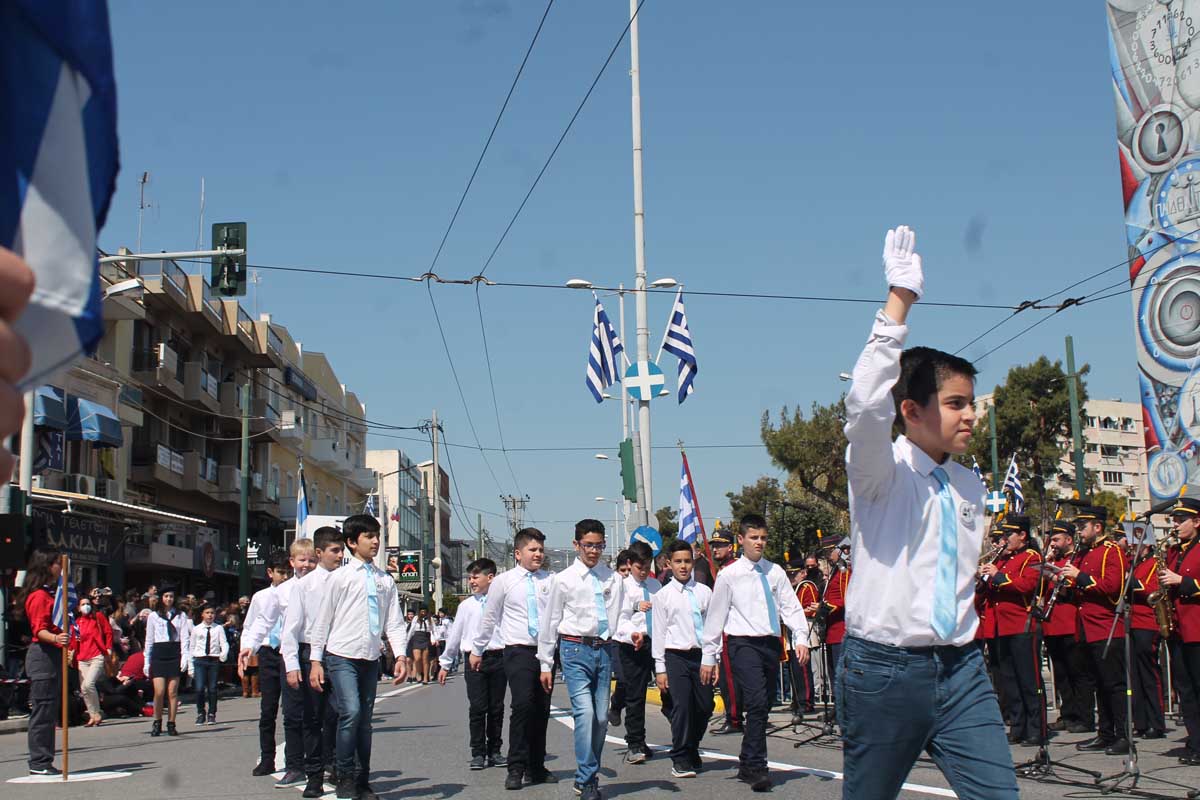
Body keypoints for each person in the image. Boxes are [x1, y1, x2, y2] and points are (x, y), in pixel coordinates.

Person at [839, 226, 1018, 799]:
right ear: (912, 410)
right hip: (884, 671)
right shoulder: (879, 472)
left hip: (963, 669)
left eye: (973, 403)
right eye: (956, 403)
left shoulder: (967, 483)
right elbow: (866, 404)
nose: (971, 416)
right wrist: (899, 300)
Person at [700, 513, 809, 792]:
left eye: (763, 538)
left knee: (766, 702)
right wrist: (709, 656)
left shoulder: (775, 572)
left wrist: (801, 638)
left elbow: (791, 607)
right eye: (753, 537)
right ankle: (758, 767)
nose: (759, 542)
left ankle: (747, 760)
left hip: (769, 644)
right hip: (742, 644)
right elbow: (715, 617)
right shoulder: (729, 575)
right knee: (757, 701)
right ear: (741, 540)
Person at [309, 515, 409, 800]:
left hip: (370, 657)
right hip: (341, 656)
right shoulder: (339, 578)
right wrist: (316, 661)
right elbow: (322, 621)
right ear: (352, 542)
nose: (375, 541)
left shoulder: (385, 580)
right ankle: (344, 776)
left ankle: (363, 780)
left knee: (364, 721)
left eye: (377, 536)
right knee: (350, 712)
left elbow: (394, 622)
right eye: (369, 536)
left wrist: (400, 656)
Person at [537, 519, 624, 800]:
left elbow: (619, 616)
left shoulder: (613, 578)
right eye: (588, 545)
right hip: (574, 649)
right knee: (585, 713)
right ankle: (588, 779)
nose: (594, 551)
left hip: (604, 649)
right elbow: (550, 622)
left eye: (599, 545)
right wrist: (545, 663)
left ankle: (586, 774)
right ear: (576, 545)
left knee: (601, 717)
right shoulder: (563, 580)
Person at [470, 527, 554, 791]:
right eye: (532, 549)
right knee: (523, 705)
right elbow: (489, 617)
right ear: (518, 553)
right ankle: (516, 767)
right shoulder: (504, 582)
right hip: (517, 651)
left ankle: (536, 767)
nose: (538, 554)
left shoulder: (551, 581)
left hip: (546, 651)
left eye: (541, 550)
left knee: (541, 709)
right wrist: (477, 649)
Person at [244, 538, 317, 789]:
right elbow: (262, 621)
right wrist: (249, 646)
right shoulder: (277, 592)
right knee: (281, 711)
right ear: (292, 562)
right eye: (301, 560)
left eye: (311, 560)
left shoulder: (324, 585)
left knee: (316, 712)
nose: (306, 565)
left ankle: (319, 763)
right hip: (281, 653)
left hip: (312, 652)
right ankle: (286, 763)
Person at [1060, 506, 1130, 755]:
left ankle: (1123, 735)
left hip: (1105, 626)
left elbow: (1113, 587)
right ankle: (1105, 733)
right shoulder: (1083, 553)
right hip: (1086, 628)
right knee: (1099, 683)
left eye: (1082, 526)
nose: (1079, 531)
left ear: (1097, 527)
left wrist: (1079, 577)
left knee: (1114, 685)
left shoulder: (1112, 551)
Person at [281, 526, 345, 797]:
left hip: (340, 653)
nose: (340, 556)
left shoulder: (346, 580)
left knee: (340, 714)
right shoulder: (304, 586)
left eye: (342, 550)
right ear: (319, 553)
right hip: (310, 655)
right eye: (335, 550)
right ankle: (314, 776)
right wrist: (292, 665)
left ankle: (339, 767)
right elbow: (291, 628)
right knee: (312, 717)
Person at [978, 515, 1043, 746]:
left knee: (1028, 679)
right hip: (1000, 626)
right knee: (1009, 680)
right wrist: (982, 578)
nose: (1004, 540)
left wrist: (997, 575)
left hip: (1021, 624)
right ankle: (1018, 726)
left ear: (1022, 535)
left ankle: (1036, 729)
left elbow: (1026, 585)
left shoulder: (1032, 557)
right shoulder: (1004, 559)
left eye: (1008, 535)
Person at [652, 539, 714, 779]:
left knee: (705, 705)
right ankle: (680, 757)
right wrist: (660, 668)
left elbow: (712, 628)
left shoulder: (704, 592)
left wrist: (713, 658)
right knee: (682, 706)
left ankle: (691, 745)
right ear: (669, 564)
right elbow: (659, 633)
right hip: (675, 656)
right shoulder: (663, 596)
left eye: (687, 561)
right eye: (678, 561)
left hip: (701, 656)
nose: (683, 566)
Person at [438, 558, 507, 770]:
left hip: (498, 657)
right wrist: (445, 663)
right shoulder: (466, 606)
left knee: (496, 707)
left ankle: (495, 750)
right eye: (470, 578)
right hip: (473, 660)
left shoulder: (503, 603)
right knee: (478, 707)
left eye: (475, 577)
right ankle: (478, 752)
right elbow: (455, 635)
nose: (471, 581)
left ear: (490, 577)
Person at [240, 552, 295, 776]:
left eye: (288, 572)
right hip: (268, 653)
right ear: (270, 573)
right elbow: (251, 625)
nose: (285, 577)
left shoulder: (295, 591)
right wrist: (247, 650)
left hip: (288, 652)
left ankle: (294, 759)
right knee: (268, 710)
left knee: (292, 710)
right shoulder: (261, 597)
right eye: (281, 572)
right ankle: (267, 758)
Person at [1158, 495, 1200, 764]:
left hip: (1197, 627)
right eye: (1174, 520)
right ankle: (1195, 741)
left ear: (1197, 521)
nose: (1175, 524)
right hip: (1178, 628)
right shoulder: (1174, 550)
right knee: (1185, 688)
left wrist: (1181, 581)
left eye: (1181, 520)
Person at [1041, 521, 1094, 733]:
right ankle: (1068, 713)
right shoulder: (1053, 561)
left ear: (1069, 540)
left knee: (1078, 673)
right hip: (1052, 624)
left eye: (1056, 539)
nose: (1053, 543)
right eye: (1051, 540)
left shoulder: (1077, 559)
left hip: (1070, 622)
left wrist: (1056, 577)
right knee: (1061, 673)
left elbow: (1076, 589)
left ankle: (1085, 717)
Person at [20, 550, 68, 775]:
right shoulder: (39, 596)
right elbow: (39, 630)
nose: (61, 567)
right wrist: (57, 638)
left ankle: (44, 760)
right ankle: (39, 761)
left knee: (49, 711)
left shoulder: (50, 594)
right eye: (58, 563)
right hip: (43, 655)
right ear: (47, 566)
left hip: (52, 654)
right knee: (43, 710)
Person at [614, 540, 661, 766]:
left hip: (656, 643)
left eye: (647, 567)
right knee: (636, 696)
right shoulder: (622, 587)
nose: (643, 572)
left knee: (669, 691)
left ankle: (684, 739)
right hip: (632, 644)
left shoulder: (655, 586)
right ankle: (635, 742)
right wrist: (633, 632)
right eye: (639, 567)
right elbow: (618, 618)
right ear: (630, 564)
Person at [703, 530, 743, 736]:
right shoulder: (724, 570)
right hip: (729, 631)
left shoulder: (732, 570)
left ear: (731, 547)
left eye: (720, 545)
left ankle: (734, 718)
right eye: (714, 545)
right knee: (730, 680)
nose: (715, 549)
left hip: (731, 630)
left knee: (731, 681)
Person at [1128, 533, 1167, 739]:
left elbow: (1153, 590)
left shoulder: (1153, 562)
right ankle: (1141, 721)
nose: (1131, 547)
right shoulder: (1135, 563)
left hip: (1148, 621)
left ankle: (1156, 722)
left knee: (1150, 674)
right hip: (1133, 622)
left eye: (1136, 543)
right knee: (1135, 675)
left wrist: (1130, 581)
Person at [143, 584, 192, 736]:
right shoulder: (154, 616)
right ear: (161, 598)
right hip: (159, 652)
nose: (168, 599)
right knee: (159, 691)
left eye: (171, 596)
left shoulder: (181, 615)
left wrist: (185, 657)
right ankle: (157, 722)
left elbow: (184, 637)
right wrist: (147, 660)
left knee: (172, 692)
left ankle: (171, 723)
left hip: (174, 652)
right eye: (166, 596)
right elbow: (149, 639)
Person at [72, 593, 113, 727]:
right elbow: (74, 641)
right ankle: (93, 715)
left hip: (97, 655)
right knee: (84, 688)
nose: (86, 606)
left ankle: (97, 713)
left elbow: (108, 631)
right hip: (82, 658)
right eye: (83, 604)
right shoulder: (76, 623)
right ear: (78, 608)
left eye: (88, 604)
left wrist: (108, 647)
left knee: (89, 684)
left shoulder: (98, 617)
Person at [608, 550, 635, 728]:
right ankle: (616, 705)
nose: (626, 574)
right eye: (622, 570)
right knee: (623, 678)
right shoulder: (612, 587)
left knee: (634, 684)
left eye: (629, 570)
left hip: (636, 640)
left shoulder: (641, 586)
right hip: (616, 639)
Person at [191, 602, 229, 726]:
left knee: (212, 688)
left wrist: (224, 653)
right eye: (207, 613)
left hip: (213, 660)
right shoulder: (196, 629)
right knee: (199, 688)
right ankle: (200, 713)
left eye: (212, 613)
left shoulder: (218, 628)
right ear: (202, 614)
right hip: (200, 660)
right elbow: (192, 646)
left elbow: (224, 643)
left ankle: (212, 713)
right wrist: (190, 664)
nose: (210, 615)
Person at [408, 608, 434, 685]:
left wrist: (434, 639)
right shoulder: (416, 618)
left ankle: (425, 678)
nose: (423, 613)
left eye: (424, 611)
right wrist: (407, 639)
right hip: (416, 637)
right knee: (417, 658)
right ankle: (418, 673)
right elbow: (412, 629)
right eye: (422, 611)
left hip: (425, 637)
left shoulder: (430, 619)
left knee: (425, 660)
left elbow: (433, 630)